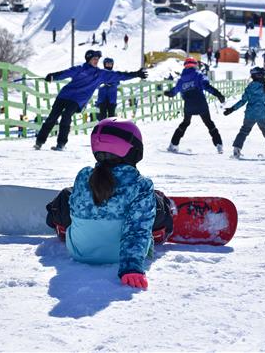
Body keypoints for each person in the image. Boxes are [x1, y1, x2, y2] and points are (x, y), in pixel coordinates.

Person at [44, 118, 174, 289]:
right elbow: (137, 230)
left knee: (66, 196)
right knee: (157, 205)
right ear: (134, 150)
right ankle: (159, 225)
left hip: (79, 252)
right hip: (119, 256)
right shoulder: (141, 185)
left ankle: (63, 228)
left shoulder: (83, 176)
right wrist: (131, 268)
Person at [33, 50, 147, 151]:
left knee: (66, 116)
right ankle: (39, 142)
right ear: (88, 59)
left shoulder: (101, 74)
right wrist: (53, 76)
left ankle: (61, 143)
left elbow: (119, 75)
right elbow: (66, 73)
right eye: (94, 59)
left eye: (97, 59)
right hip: (64, 95)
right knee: (52, 118)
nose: (96, 61)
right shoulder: (80, 69)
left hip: (77, 100)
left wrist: (136, 74)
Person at [163, 57, 226, 154]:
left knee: (185, 123)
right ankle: (219, 145)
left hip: (189, 105)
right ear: (195, 65)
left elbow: (173, 92)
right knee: (209, 123)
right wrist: (219, 95)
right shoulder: (199, 75)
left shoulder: (181, 80)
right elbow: (207, 87)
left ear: (185, 66)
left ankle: (173, 144)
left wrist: (167, 93)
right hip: (201, 103)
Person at [223, 67, 265, 160]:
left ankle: (236, 150)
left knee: (244, 131)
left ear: (253, 76)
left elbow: (243, 101)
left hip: (250, 114)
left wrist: (231, 109)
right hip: (261, 114)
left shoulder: (250, 87)